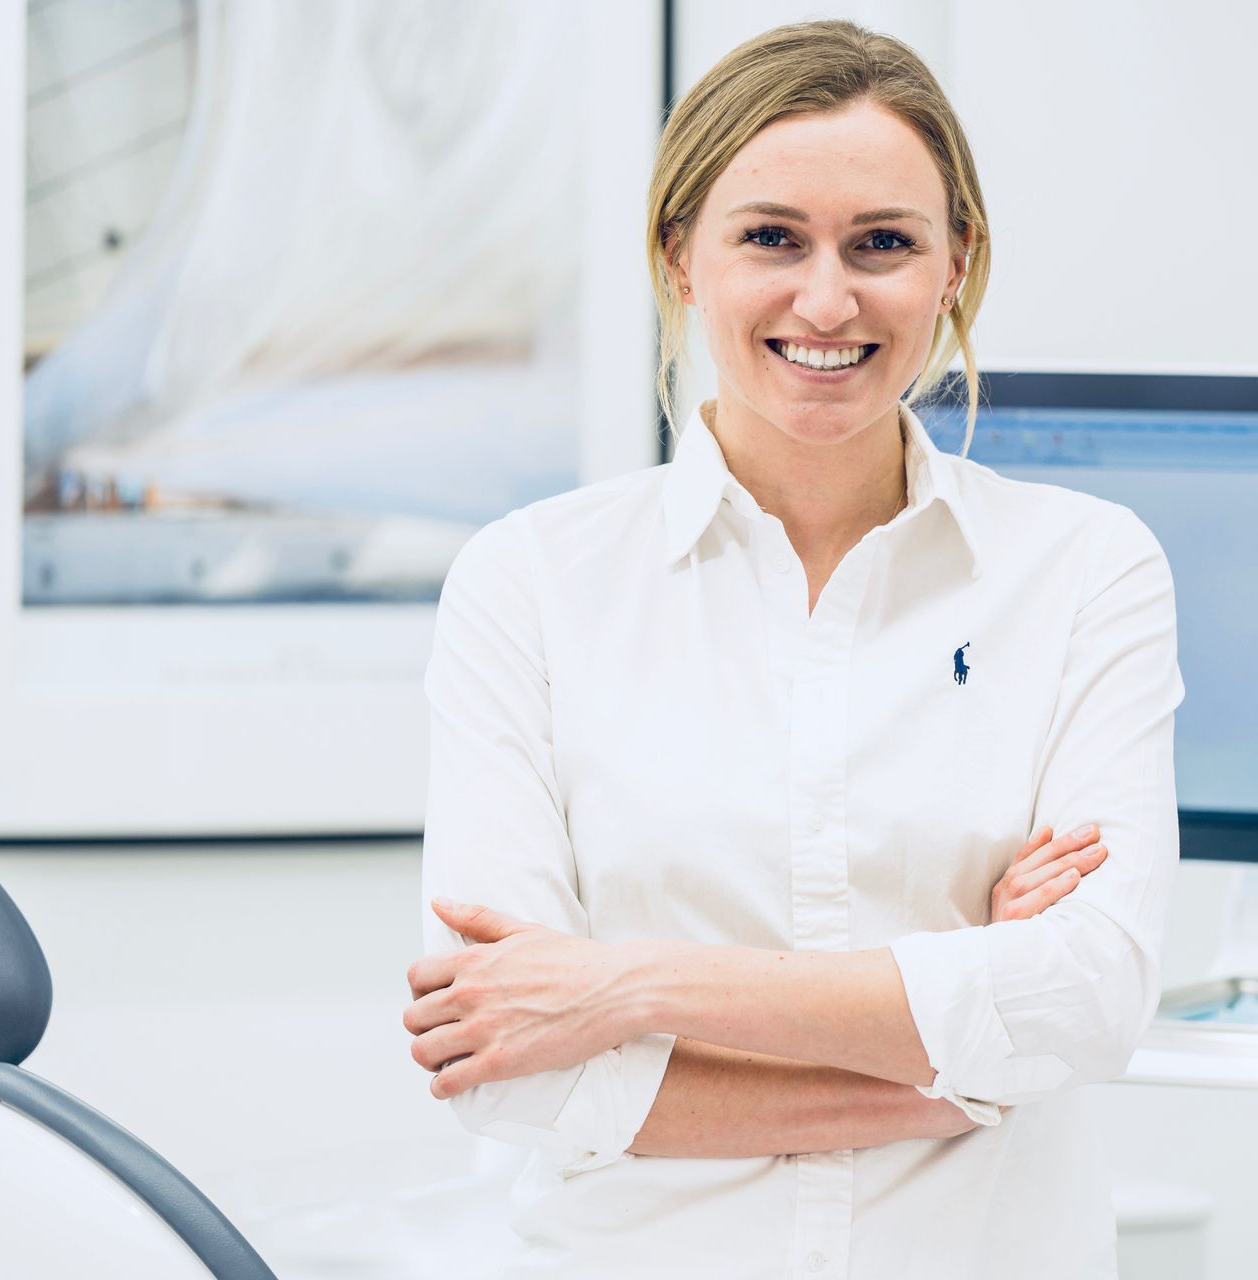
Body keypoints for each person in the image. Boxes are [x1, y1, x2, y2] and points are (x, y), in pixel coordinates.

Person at [404, 18, 1184, 1279]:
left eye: (881, 243)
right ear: (679, 257)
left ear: (953, 264)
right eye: (771, 237)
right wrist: (966, 1062)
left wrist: (626, 986)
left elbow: (1088, 998)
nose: (826, 300)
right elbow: (504, 1068)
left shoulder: (1085, 568)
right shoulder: (532, 581)